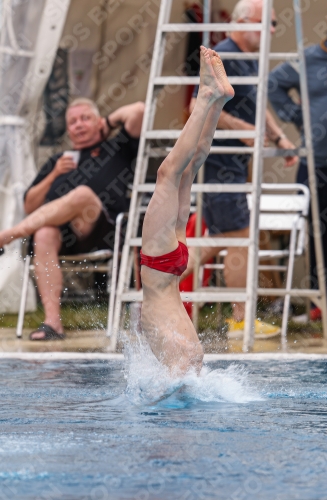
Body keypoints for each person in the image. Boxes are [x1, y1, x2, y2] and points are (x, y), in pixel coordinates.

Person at [181, 0, 298, 338]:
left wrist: (280, 139)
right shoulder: (224, 54)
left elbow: (257, 106)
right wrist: (240, 129)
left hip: (231, 165)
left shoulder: (247, 60)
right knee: (236, 238)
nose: (274, 30)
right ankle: (236, 317)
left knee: (233, 238)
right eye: (270, 23)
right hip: (216, 163)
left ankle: (237, 316)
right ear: (246, 21)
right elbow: (195, 105)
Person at [0, 99, 144, 340]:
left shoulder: (117, 148)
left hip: (105, 230)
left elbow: (138, 110)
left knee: (82, 194)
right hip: (67, 235)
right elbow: (29, 205)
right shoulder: (58, 160)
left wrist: (107, 125)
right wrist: (55, 173)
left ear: (98, 122)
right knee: (44, 233)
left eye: (85, 118)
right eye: (73, 122)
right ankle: (53, 323)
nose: (78, 125)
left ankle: (7, 236)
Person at [140, 46, 234, 376]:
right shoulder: (179, 346)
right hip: (161, 263)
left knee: (184, 170)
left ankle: (214, 99)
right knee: (173, 173)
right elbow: (183, 367)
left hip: (173, 267)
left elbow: (191, 360)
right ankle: (211, 98)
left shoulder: (186, 343)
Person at [268, 4, 327, 321]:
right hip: (317, 161)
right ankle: (324, 304)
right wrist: (300, 118)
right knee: (320, 234)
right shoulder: (307, 58)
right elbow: (272, 84)